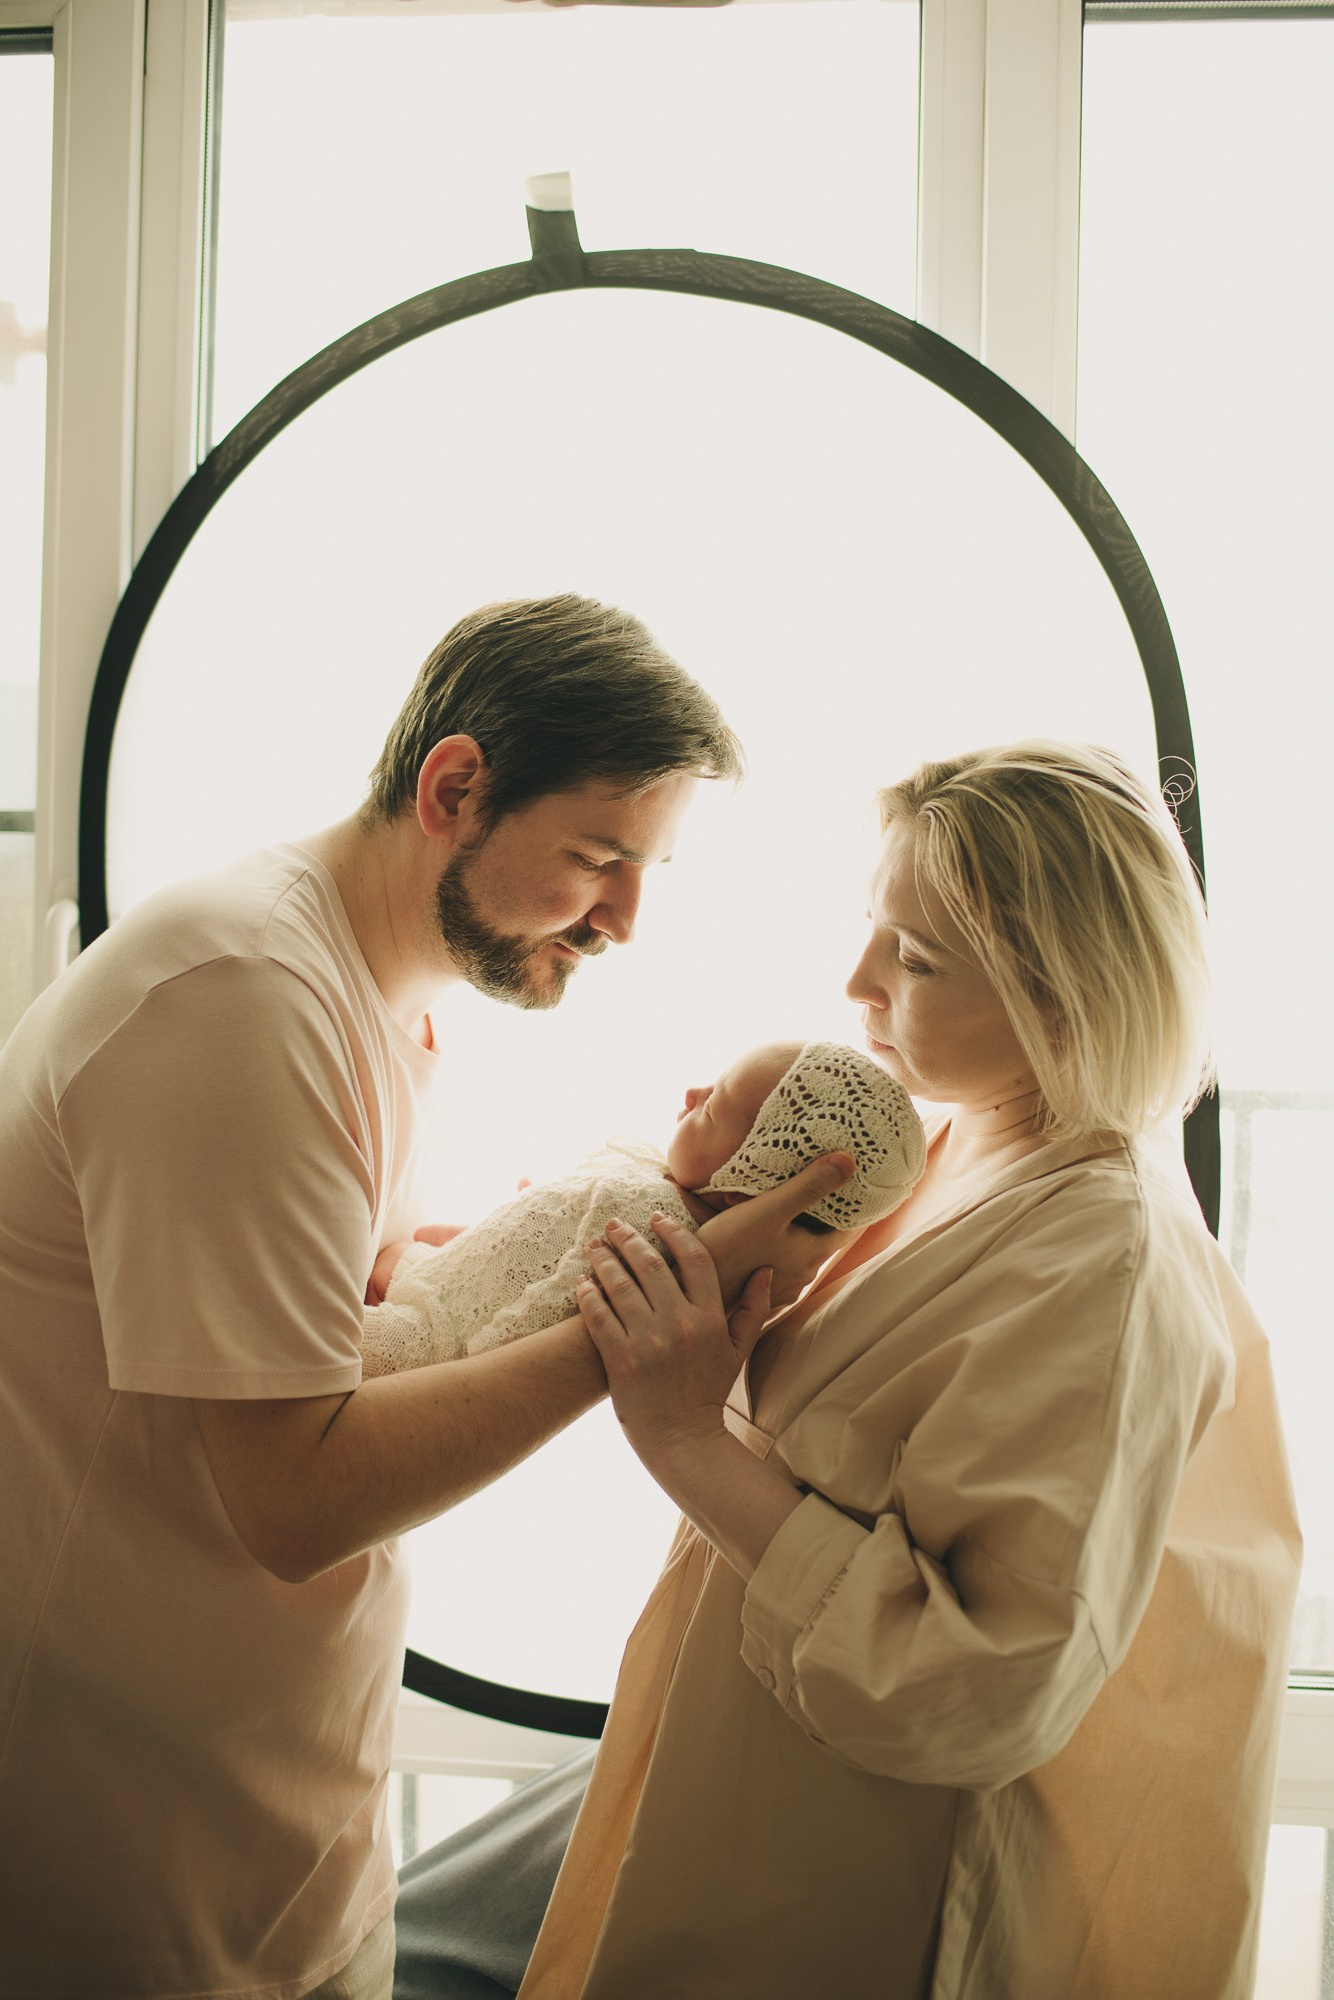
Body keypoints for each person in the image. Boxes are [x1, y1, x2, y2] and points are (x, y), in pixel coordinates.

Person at [0, 594, 852, 2000]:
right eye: (597, 858)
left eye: (648, 871)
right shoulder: (241, 1000)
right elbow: (294, 1498)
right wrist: (643, 1321)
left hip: (273, 1822)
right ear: (453, 787)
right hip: (118, 1859)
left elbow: (327, 1334)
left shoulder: (393, 1014)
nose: (626, 920)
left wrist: (485, 1271)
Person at [400, 739, 1301, 2000]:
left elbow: (978, 1682)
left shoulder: (1105, 1270)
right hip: (754, 1772)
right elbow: (850, 1438)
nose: (854, 982)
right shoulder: (963, 1140)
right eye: (874, 929)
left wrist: (684, 1441)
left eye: (915, 959)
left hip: (877, 1884)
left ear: (1068, 1000)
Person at [361, 1040, 926, 1373]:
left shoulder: (658, 1239)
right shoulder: (661, 1182)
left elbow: (543, 1317)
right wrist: (515, 1227)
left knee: (313, 1342)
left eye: (712, 1107)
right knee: (397, 1254)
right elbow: (546, 1231)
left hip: (436, 1342)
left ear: (738, 1185)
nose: (692, 1095)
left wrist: (460, 1355)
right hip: (446, 1282)